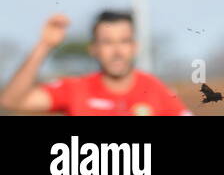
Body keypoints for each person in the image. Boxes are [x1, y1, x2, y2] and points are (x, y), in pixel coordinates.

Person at [0, 11, 190, 116]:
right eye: (107, 42)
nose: (116, 51)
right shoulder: (75, 89)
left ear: (134, 47)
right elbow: (10, 101)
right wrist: (44, 45)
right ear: (94, 49)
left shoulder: (155, 90)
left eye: (123, 41)